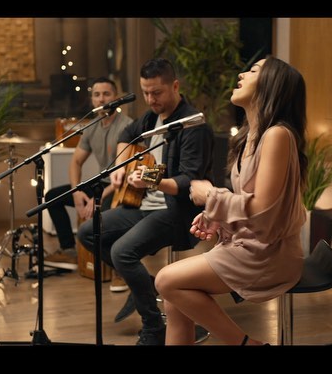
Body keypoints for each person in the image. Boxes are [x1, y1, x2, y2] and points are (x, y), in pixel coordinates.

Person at [154, 56, 308, 345]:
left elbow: (263, 209)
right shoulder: (250, 138)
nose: (242, 74)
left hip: (270, 255)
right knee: (174, 299)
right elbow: (249, 203)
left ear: (272, 84)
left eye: (254, 70)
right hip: (249, 246)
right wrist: (218, 217)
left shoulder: (277, 135)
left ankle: (247, 344)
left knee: (165, 280)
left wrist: (211, 196)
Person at [76, 58, 214, 345]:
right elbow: (127, 135)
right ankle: (145, 286)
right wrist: (121, 166)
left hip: (176, 211)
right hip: (142, 205)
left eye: (157, 93)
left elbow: (189, 180)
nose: (151, 100)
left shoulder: (193, 125)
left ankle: (153, 328)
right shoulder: (151, 118)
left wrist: (149, 179)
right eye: (146, 93)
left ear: (175, 86)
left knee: (122, 252)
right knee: (89, 232)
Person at [44, 77, 133, 286]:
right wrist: (76, 191)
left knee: (107, 217)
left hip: (122, 185)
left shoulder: (127, 126)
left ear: (116, 97)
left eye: (106, 94)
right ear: (92, 99)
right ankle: (69, 250)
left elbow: (127, 171)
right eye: (97, 95)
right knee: (52, 197)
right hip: (102, 183)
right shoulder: (92, 126)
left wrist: (98, 199)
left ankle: (120, 269)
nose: (101, 99)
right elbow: (75, 162)